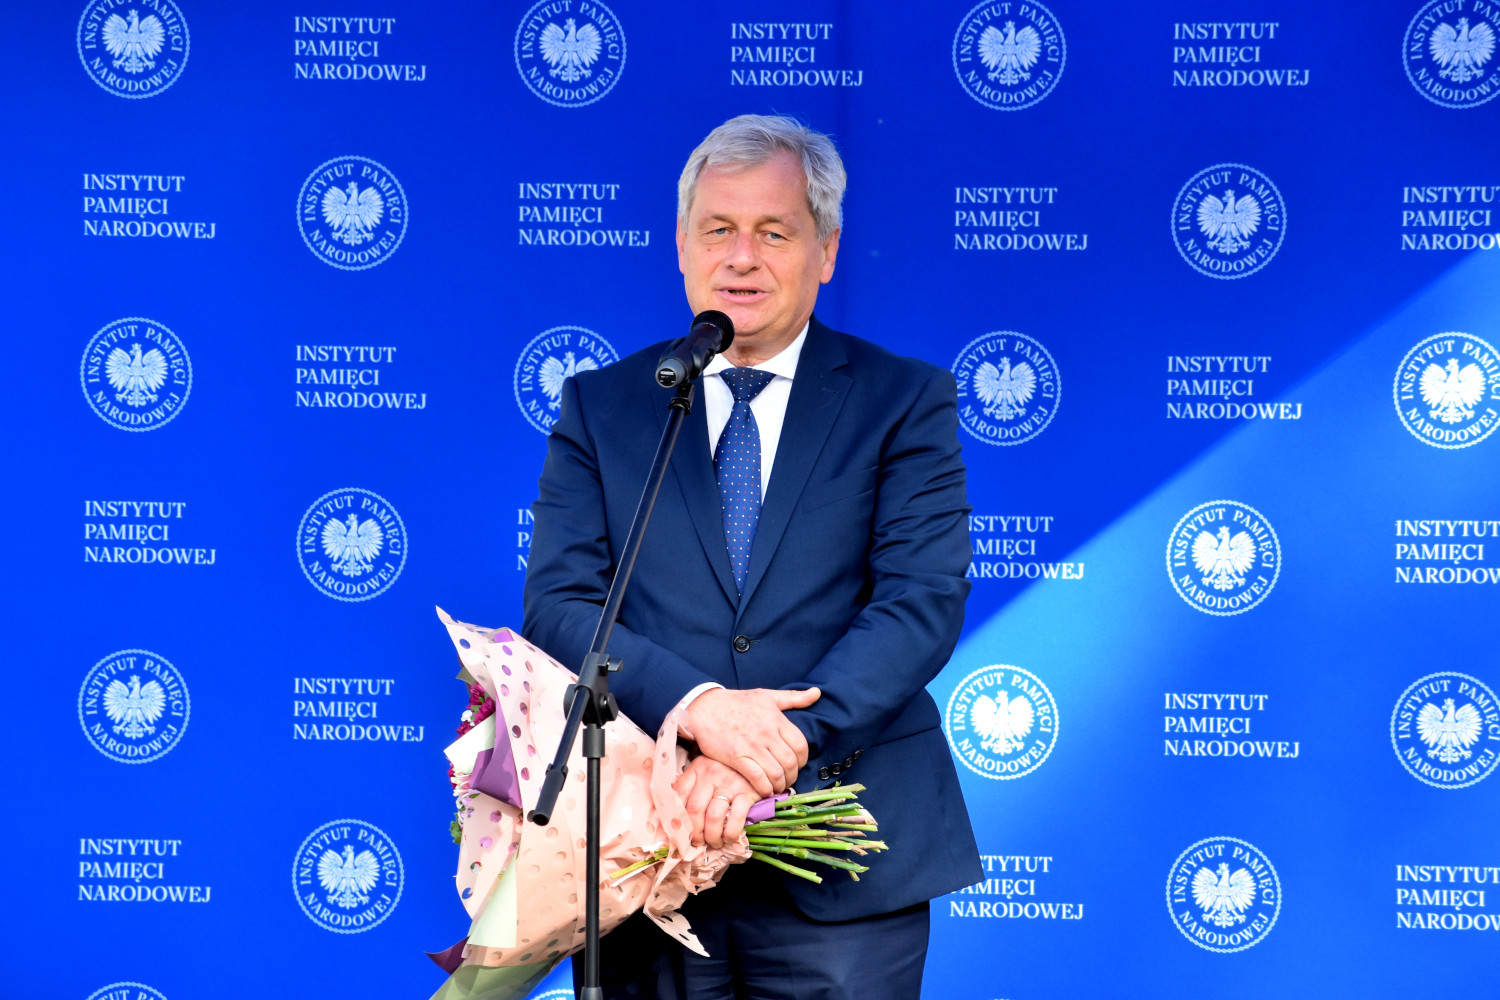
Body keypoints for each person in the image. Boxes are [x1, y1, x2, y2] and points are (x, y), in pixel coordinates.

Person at [523, 114, 980, 1000]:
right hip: (647, 851)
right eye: (718, 230)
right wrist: (700, 711)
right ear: (682, 248)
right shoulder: (604, 405)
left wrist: (764, 750)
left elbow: (920, 601)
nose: (742, 258)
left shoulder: (903, 399)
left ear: (826, 251)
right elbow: (561, 605)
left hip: (845, 850)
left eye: (774, 232)